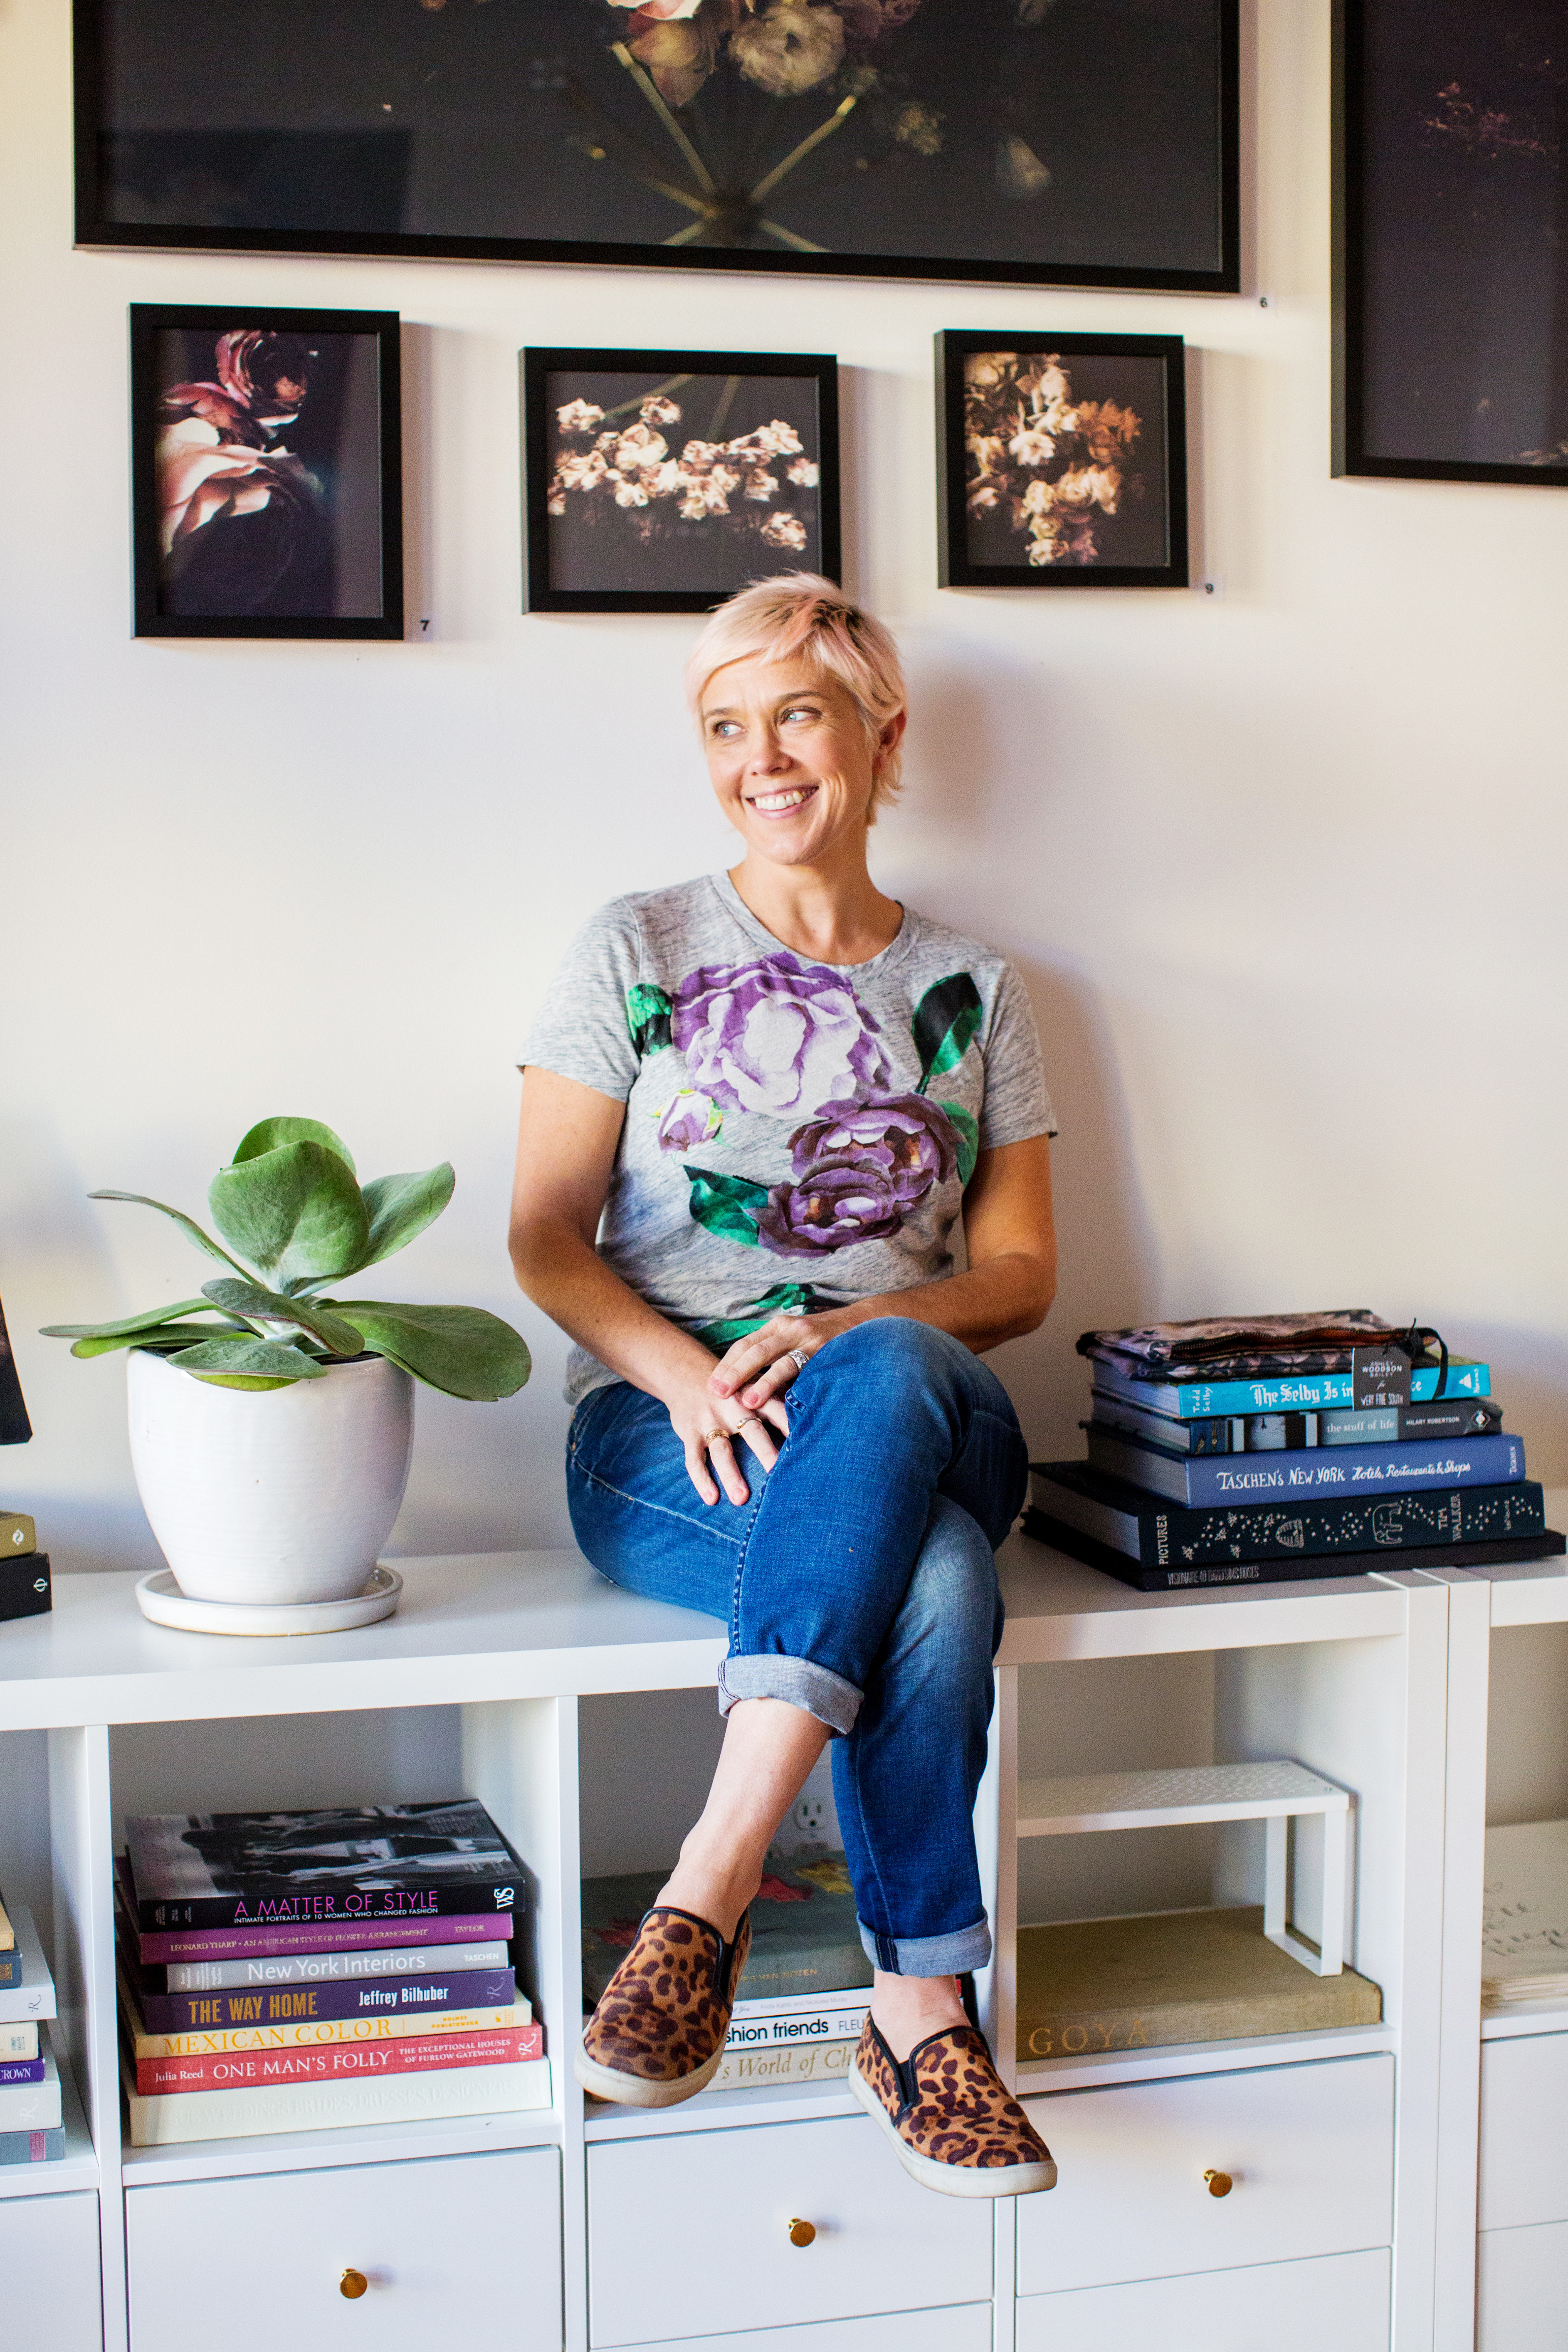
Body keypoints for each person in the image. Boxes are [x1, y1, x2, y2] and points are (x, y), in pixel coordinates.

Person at [509, 573, 1059, 2197]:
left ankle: (708, 1883)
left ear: (882, 737)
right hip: (662, 1440)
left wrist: (837, 1338)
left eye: (797, 714)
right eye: (725, 726)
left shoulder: (982, 989)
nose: (762, 757)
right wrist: (686, 1377)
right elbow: (544, 1240)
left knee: (888, 1350)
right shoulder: (637, 943)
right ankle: (917, 2007)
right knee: (937, 1585)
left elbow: (1023, 1277)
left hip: (928, 1413)